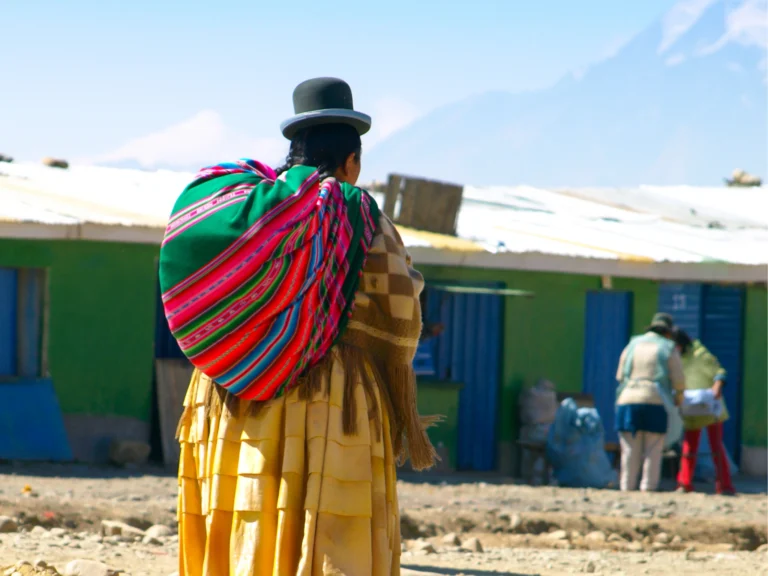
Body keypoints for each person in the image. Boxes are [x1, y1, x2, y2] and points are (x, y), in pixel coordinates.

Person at [159, 77, 438, 575]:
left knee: (245, 524)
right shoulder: (355, 213)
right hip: (328, 402)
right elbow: (401, 306)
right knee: (325, 529)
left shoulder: (244, 205)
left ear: (294, 152)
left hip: (228, 394)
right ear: (352, 161)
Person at [615, 313, 685, 492]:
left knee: (629, 450)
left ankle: (626, 488)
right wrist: (678, 400)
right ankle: (647, 489)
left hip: (628, 400)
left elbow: (620, 375)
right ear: (668, 333)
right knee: (653, 450)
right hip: (655, 400)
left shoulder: (632, 344)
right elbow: (679, 380)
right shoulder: (668, 348)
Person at [673, 328, 736, 495]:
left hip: (710, 407)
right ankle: (684, 483)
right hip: (690, 408)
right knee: (689, 447)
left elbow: (720, 373)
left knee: (716, 446)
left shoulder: (701, 355)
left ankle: (725, 485)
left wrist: (716, 388)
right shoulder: (677, 358)